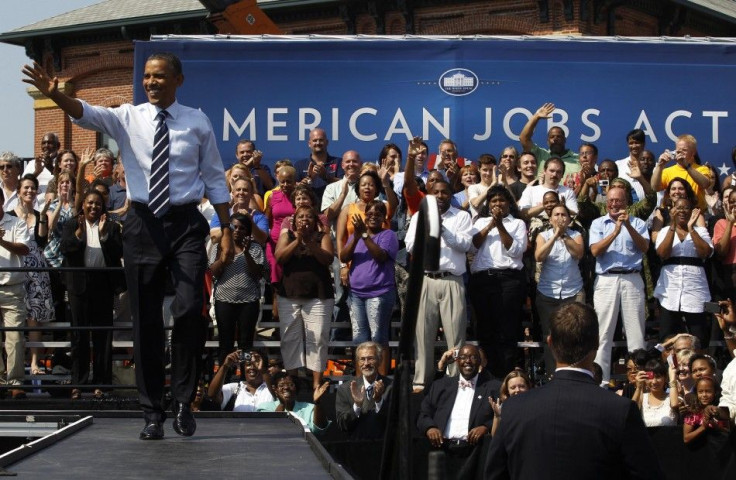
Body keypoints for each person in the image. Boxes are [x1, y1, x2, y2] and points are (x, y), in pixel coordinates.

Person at [23, 52, 234, 439]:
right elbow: (84, 112)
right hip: (142, 222)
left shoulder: (197, 121)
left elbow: (216, 178)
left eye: (160, 77)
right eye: (148, 77)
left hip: (186, 222)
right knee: (146, 322)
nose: (152, 83)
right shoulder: (128, 117)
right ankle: (153, 412)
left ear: (178, 80)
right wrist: (56, 96)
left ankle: (185, 402)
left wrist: (229, 231)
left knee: (190, 309)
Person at [485, 302, 664, 480]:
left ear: (550, 343)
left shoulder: (514, 409)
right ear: (597, 343)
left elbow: (494, 475)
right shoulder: (620, 410)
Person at [405, 180, 473, 392]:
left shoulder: (462, 216)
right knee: (423, 335)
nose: (441, 196)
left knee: (455, 336)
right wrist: (428, 228)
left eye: (445, 192)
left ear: (450, 195)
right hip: (426, 280)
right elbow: (409, 245)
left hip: (452, 280)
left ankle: (456, 382)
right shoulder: (419, 216)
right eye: (436, 192)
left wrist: (441, 228)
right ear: (430, 195)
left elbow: (465, 244)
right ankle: (421, 382)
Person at [60, 189, 124, 400]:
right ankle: (78, 384)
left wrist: (104, 234)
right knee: (79, 337)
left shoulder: (112, 227)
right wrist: (79, 234)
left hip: (103, 286)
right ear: (83, 205)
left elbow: (117, 252)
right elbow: (66, 249)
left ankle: (102, 384)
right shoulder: (72, 224)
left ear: (102, 207)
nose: (93, 207)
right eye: (90, 203)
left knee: (102, 337)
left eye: (97, 204)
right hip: (78, 285)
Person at [590, 186, 650, 384]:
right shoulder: (598, 223)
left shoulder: (638, 223)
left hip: (631, 278)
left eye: (619, 200)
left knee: (636, 333)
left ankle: (639, 382)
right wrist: (615, 231)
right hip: (606, 280)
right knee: (603, 333)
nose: (614, 204)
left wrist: (627, 227)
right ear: (606, 203)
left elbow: (644, 247)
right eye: (611, 201)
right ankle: (602, 382)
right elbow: (595, 251)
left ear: (627, 203)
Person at [469, 185, 528, 379]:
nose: (497, 204)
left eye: (501, 200)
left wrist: (500, 224)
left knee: (507, 331)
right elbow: (472, 246)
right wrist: (490, 225)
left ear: (509, 203)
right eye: (493, 201)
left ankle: (506, 376)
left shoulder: (517, 223)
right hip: (482, 281)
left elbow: (516, 251)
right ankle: (487, 376)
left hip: (509, 281)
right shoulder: (479, 222)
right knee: (485, 330)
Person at [417, 344, 500, 480]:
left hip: (475, 454)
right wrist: (430, 427)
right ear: (457, 361)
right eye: (463, 357)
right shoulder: (441, 386)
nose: (467, 361)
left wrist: (486, 427)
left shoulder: (493, 387)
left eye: (473, 357)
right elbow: (423, 413)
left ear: (480, 362)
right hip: (443, 451)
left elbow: (505, 415)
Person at [274, 205, 335, 391]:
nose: (305, 220)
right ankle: (292, 381)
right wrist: (297, 241)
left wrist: (309, 243)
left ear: (315, 221)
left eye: (309, 217)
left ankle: (316, 381)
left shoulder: (321, 237)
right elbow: (279, 257)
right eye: (301, 217)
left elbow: (328, 259)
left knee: (317, 338)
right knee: (290, 338)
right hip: (289, 296)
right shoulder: (288, 236)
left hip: (318, 296)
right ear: (294, 221)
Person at [339, 201, 397, 374]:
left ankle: (382, 380)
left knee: (378, 338)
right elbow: (343, 255)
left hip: (379, 293)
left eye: (378, 214)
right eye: (369, 214)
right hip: (356, 294)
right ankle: (360, 381)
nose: (373, 216)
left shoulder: (388, 235)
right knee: (359, 339)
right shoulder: (356, 236)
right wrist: (356, 237)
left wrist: (364, 236)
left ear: (383, 217)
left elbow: (380, 256)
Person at [209, 213, 268, 364]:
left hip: (248, 301)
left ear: (247, 231)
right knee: (225, 344)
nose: (237, 230)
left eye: (242, 228)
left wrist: (246, 252)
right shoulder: (220, 246)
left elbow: (258, 274)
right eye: (234, 227)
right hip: (224, 300)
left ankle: (245, 380)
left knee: (246, 344)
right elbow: (214, 272)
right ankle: (225, 380)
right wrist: (224, 257)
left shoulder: (255, 248)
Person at [8, 175, 53, 375]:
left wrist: (42, 216)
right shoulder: (9, 215)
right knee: (13, 319)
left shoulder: (39, 213)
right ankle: (11, 364)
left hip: (36, 272)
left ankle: (34, 361)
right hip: (15, 269)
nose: (29, 191)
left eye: (33, 188)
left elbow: (42, 240)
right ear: (18, 191)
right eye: (26, 188)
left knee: (34, 317)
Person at [654, 197, 713, 346]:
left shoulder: (701, 231)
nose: (682, 211)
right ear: (672, 210)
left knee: (698, 336)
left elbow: (705, 252)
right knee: (667, 337)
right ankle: (669, 367)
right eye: (678, 208)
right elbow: (662, 253)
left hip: (695, 291)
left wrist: (691, 229)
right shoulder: (665, 231)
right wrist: (672, 226)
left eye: (686, 208)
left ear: (692, 211)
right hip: (670, 292)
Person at [534, 203, 585, 373]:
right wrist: (555, 236)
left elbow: (578, 253)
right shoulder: (543, 235)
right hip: (548, 292)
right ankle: (551, 373)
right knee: (550, 336)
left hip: (573, 291)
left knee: (574, 334)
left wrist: (564, 237)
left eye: (564, 215)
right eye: (556, 215)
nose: (560, 218)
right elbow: (539, 256)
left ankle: (574, 372)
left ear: (569, 219)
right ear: (550, 218)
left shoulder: (576, 234)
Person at [0, 188, 31, 399]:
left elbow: (24, 249)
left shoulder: (16, 223)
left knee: (15, 337)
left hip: (12, 287)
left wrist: (0, 240)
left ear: (2, 201)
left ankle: (15, 382)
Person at [335, 341, 392, 439]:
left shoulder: (392, 387)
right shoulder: (345, 389)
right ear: (357, 362)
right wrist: (356, 406)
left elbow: (397, 423)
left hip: (385, 449)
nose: (366, 363)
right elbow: (343, 425)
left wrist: (379, 401)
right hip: (356, 449)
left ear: (380, 360)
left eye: (370, 358)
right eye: (362, 359)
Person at [651, 134, 714, 211]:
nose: (680, 153)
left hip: (695, 214)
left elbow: (705, 184)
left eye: (684, 150)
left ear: (693, 152)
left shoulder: (702, 169)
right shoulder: (667, 171)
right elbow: (655, 188)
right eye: (678, 150)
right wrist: (660, 166)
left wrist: (687, 166)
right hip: (672, 214)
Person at [257, 372, 330, 434]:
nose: (286, 388)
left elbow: (319, 429)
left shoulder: (309, 408)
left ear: (296, 389)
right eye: (281, 385)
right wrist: (283, 403)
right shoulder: (265, 408)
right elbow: (270, 429)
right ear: (275, 390)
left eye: (290, 385)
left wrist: (317, 402)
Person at [519, 102, 580, 177]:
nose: (555, 139)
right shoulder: (540, 155)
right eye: (552, 137)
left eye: (559, 136)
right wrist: (536, 117)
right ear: (547, 141)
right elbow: (523, 138)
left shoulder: (577, 159)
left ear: (565, 140)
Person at [207, 349, 274, 412]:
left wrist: (263, 371)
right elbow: (212, 395)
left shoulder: (271, 388)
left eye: (256, 364)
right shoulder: (235, 388)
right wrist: (225, 366)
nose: (252, 368)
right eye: (248, 364)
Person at [294, 128, 342, 204]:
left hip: (332, 209)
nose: (318, 143)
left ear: (327, 142)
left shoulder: (339, 162)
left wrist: (326, 177)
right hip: (308, 212)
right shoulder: (299, 165)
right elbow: (294, 190)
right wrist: (309, 179)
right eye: (315, 140)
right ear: (309, 143)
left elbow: (345, 184)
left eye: (321, 140)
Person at [683, 376, 730, 443]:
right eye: (700, 392)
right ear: (696, 393)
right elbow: (686, 438)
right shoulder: (693, 413)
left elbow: (728, 432)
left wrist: (716, 426)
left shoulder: (720, 411)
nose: (704, 395)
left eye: (708, 391)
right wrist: (703, 427)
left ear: (715, 392)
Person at [634, 359, 678, 427]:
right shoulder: (642, 398)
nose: (654, 382)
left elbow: (674, 404)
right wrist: (638, 387)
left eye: (658, 377)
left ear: (665, 378)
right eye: (650, 377)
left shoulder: (671, 398)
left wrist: (672, 378)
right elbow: (630, 412)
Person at [489, 369, 531, 436]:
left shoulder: (536, 405)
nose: (517, 390)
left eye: (522, 386)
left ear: (528, 387)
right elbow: (495, 436)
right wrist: (497, 416)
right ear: (507, 391)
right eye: (513, 387)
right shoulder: (503, 408)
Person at [23, 132, 59, 204]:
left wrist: (51, 167)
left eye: (50, 143)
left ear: (58, 145)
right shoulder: (32, 163)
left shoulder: (62, 162)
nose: (46, 145)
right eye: (43, 143)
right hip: (35, 206)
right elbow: (23, 185)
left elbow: (66, 180)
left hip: (54, 206)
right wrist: (37, 172)